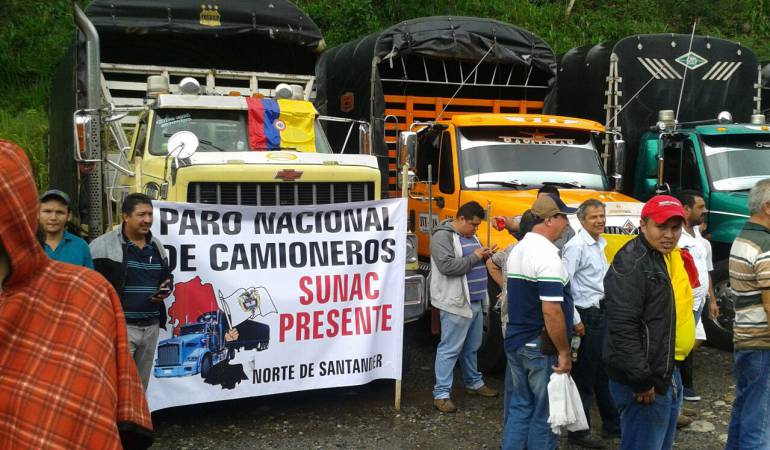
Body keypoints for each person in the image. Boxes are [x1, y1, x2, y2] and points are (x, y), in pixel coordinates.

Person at [0, 140, 152, 448]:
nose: (54, 217)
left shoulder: (85, 276)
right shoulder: (102, 246)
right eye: (141, 214)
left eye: (60, 212)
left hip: (136, 326)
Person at [604, 195, 695, 450]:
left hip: (664, 372)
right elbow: (622, 326)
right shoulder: (632, 263)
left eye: (675, 228)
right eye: (661, 226)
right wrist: (641, 379)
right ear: (643, 225)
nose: (669, 234)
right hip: (644, 380)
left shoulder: (662, 255)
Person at [502, 194, 576, 450]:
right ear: (548, 220)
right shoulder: (547, 255)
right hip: (539, 344)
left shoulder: (519, 249)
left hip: (516, 340)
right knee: (546, 414)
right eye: (562, 217)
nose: (566, 223)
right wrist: (564, 351)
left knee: (521, 406)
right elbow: (551, 311)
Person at [90, 193, 173, 390]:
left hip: (151, 327)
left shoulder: (157, 246)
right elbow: (92, 288)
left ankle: (137, 421)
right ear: (125, 216)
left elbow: (166, 276)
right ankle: (116, 422)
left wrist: (166, 287)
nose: (147, 220)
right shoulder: (101, 246)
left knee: (140, 386)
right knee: (117, 385)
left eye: (150, 214)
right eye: (141, 214)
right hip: (121, 329)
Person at [431, 201, 499, 413]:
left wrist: (484, 255)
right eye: (473, 224)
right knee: (449, 349)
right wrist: (476, 256)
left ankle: (473, 382)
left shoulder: (469, 236)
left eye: (477, 226)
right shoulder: (442, 236)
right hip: (455, 303)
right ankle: (441, 394)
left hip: (475, 301)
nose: (475, 229)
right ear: (460, 219)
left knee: (472, 347)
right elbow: (447, 267)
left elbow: (470, 260)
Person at [562, 199, 620, 448]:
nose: (600, 221)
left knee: (603, 372)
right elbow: (565, 285)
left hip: (601, 313)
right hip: (586, 316)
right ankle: (578, 431)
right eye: (594, 217)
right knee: (584, 375)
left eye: (602, 216)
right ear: (582, 220)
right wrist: (575, 320)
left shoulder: (599, 243)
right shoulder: (576, 246)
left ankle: (612, 424)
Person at [726, 178, 770, 449]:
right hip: (763, 342)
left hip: (745, 338)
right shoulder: (765, 244)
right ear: (768, 206)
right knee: (760, 421)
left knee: (744, 409)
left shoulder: (743, 237)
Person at [486, 209, 536, 426]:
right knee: (527, 388)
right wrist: (503, 286)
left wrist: (504, 287)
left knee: (514, 378)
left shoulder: (511, 249)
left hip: (511, 322)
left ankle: (512, 424)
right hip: (524, 325)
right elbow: (491, 263)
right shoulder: (531, 252)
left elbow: (491, 263)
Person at [674, 190, 714, 403]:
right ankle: (678, 392)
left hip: (699, 301)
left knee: (688, 344)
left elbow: (704, 268)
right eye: (700, 207)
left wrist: (711, 298)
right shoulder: (675, 235)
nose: (705, 211)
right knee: (680, 346)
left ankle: (680, 392)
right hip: (684, 301)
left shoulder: (698, 234)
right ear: (686, 209)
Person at [38, 189, 94, 268]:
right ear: (37, 213)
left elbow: (89, 278)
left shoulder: (80, 246)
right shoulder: (28, 245)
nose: (53, 217)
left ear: (69, 216)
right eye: (47, 211)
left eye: (60, 212)